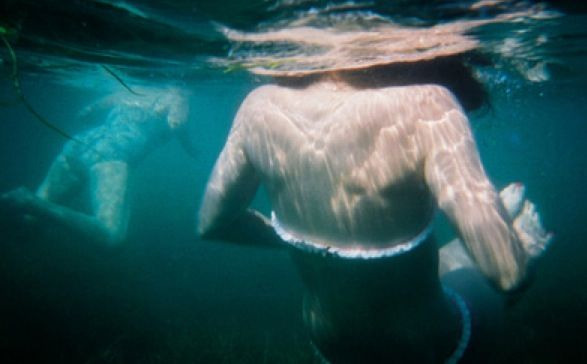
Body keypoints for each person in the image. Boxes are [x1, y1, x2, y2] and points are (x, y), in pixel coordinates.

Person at [197, 22, 554, 361]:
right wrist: (522, 253)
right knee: (510, 259)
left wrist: (312, 247)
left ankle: (486, 228)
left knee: (425, 261)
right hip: (426, 347)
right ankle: (509, 229)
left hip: (331, 344)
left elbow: (213, 224)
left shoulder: (258, 107)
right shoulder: (428, 106)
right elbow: (506, 275)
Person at [1, 86, 196, 246]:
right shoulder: (177, 98)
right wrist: (189, 147)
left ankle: (26, 204)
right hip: (112, 154)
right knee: (110, 237)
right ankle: (28, 200)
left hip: (78, 144)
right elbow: (176, 124)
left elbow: (86, 112)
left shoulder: (131, 88)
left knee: (30, 221)